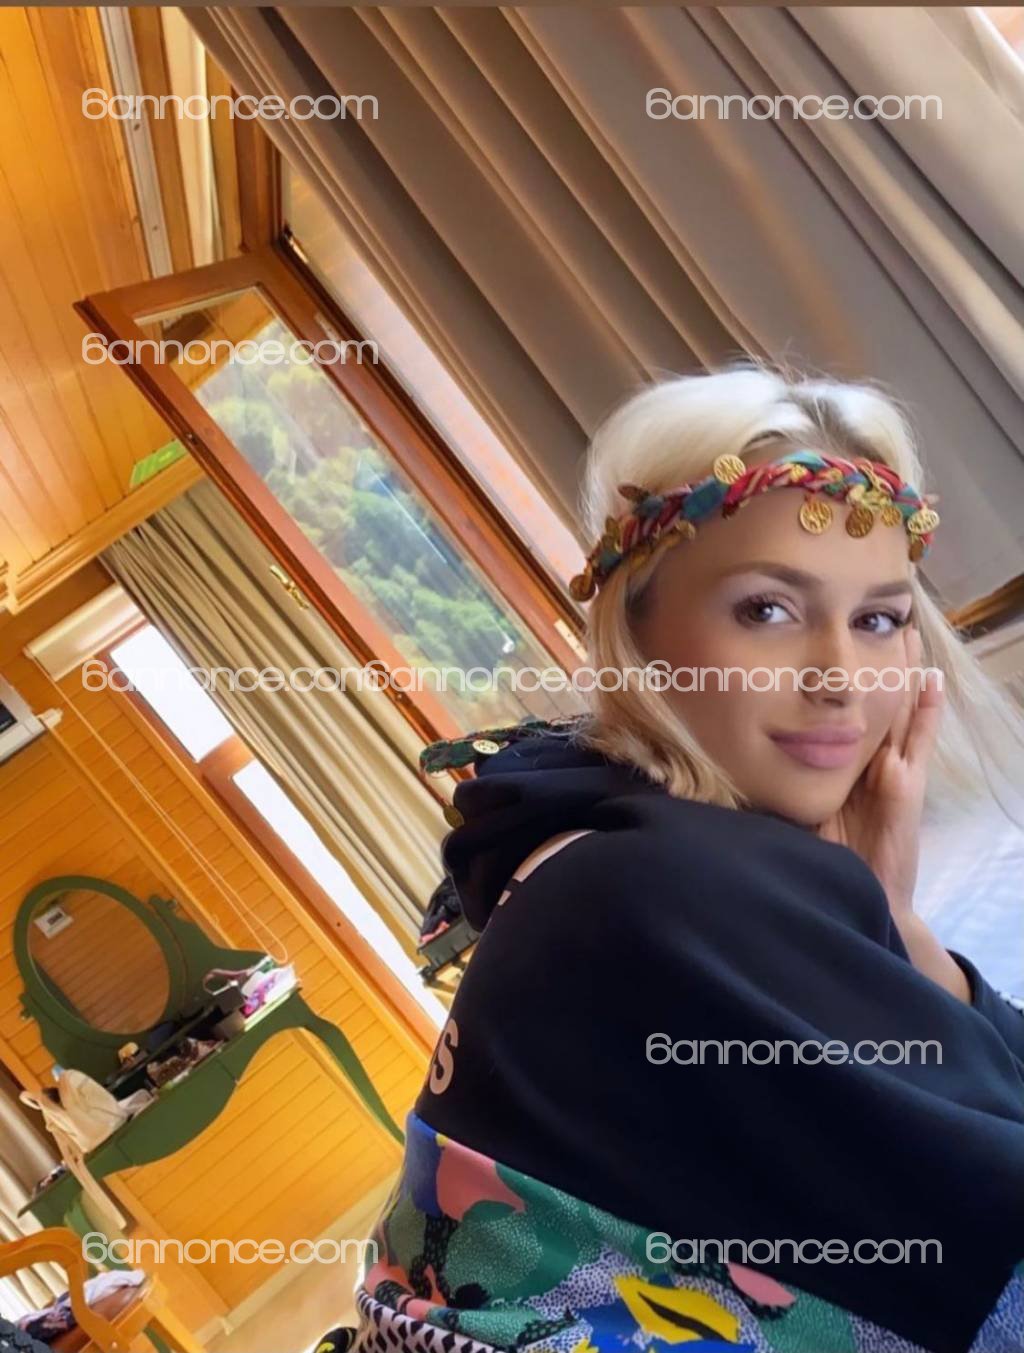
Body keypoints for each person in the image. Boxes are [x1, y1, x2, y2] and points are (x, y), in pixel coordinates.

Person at [346, 362, 1024, 1353]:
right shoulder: (657, 889)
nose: (841, 676)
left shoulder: (594, 836)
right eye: (767, 610)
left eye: (878, 619)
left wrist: (890, 920)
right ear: (637, 628)